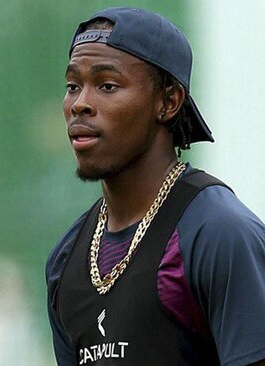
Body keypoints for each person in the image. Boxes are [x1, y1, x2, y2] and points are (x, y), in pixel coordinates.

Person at [45, 7, 265, 366]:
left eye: (107, 85)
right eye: (73, 86)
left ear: (168, 101)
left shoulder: (219, 233)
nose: (80, 104)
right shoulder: (65, 261)